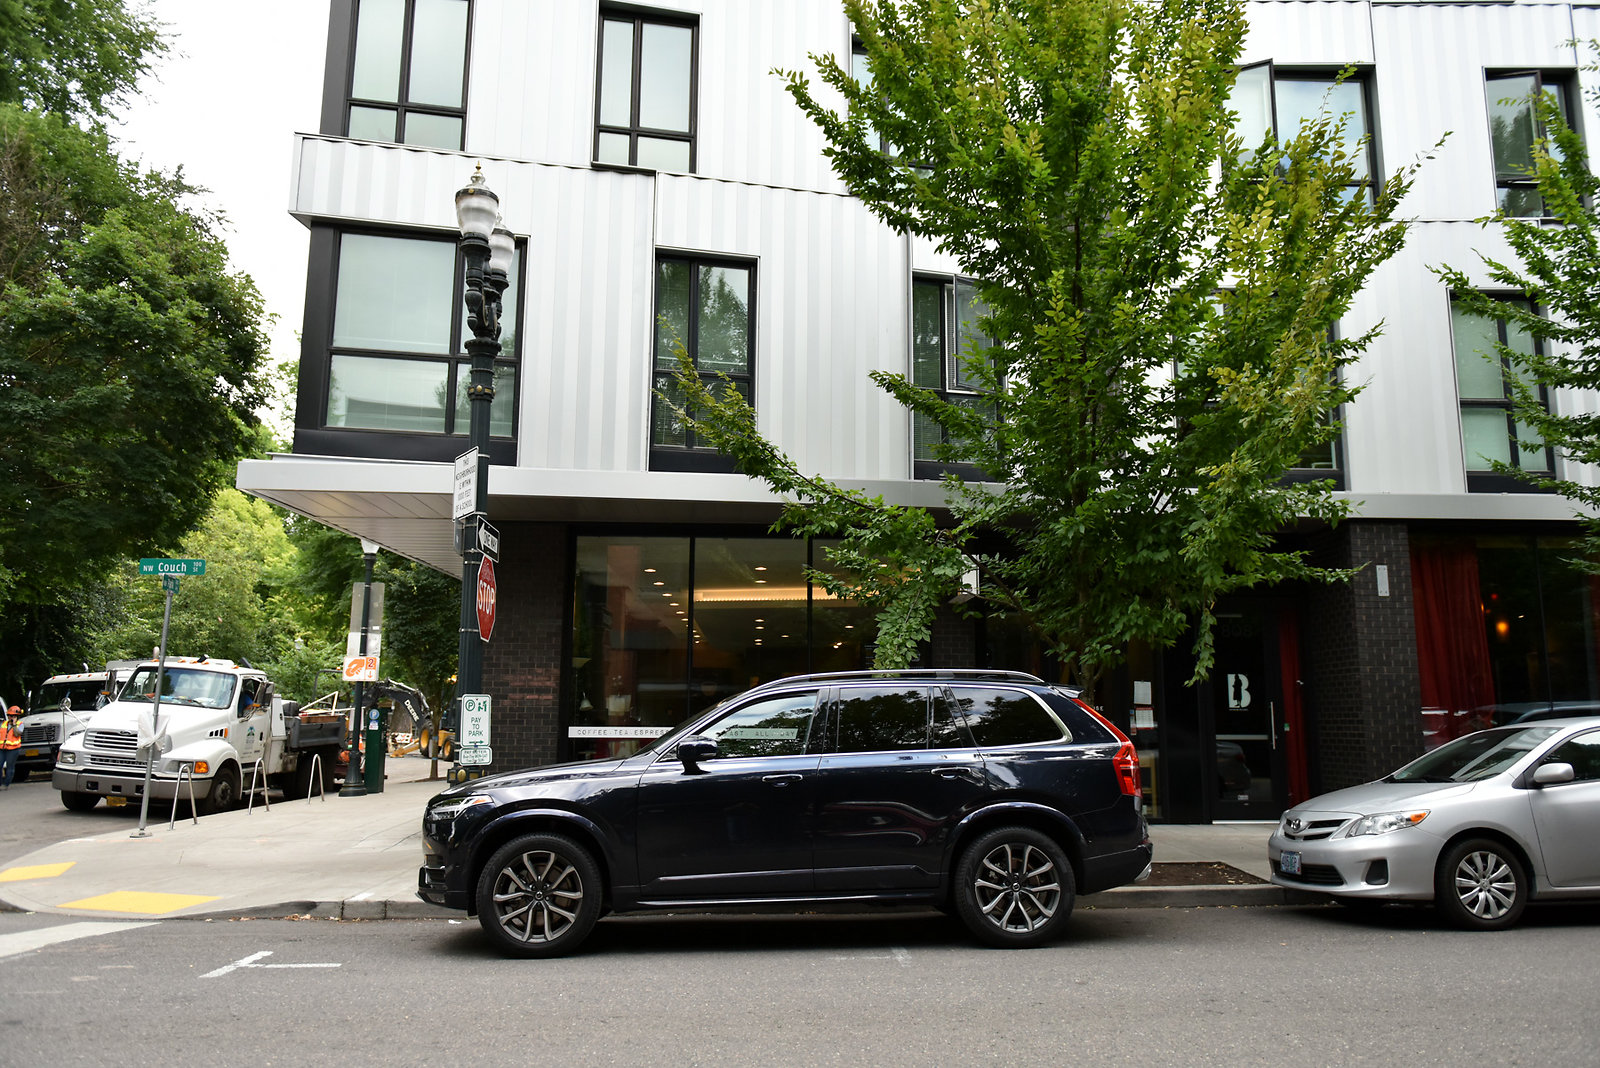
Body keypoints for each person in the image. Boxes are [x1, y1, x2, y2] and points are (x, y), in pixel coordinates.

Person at [0, 706, 23, 790]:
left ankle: (6, 784)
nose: (11, 717)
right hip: (2, 748)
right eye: (9, 715)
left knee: (10, 767)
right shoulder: (3, 724)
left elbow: (17, 734)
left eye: (13, 716)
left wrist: (14, 725)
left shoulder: (20, 724)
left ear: (17, 716)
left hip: (13, 749)